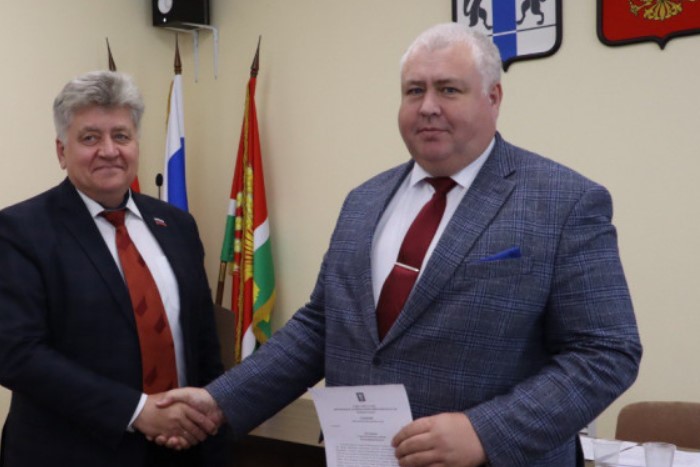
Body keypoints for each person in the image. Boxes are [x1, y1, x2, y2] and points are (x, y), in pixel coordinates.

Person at [159, 23, 642, 466]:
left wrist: (485, 432)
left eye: (448, 89)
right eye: (414, 90)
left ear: (493, 97)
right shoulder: (363, 201)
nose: (428, 106)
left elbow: (606, 353)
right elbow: (321, 326)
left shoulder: (564, 202)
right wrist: (220, 400)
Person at [0, 70, 228, 467]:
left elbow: (203, 339)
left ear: (136, 144)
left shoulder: (177, 226)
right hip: (71, 454)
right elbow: (16, 353)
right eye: (90, 138)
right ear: (61, 151)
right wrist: (137, 412)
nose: (109, 150)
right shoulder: (19, 230)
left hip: (184, 450)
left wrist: (210, 414)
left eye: (121, 136)